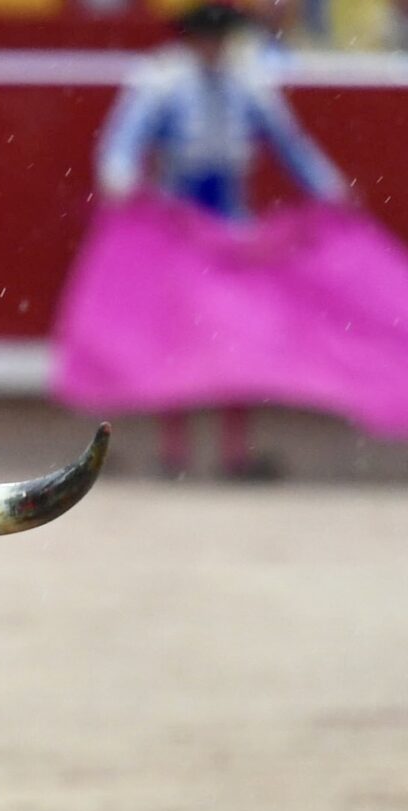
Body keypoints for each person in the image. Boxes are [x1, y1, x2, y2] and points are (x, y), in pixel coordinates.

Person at [93, 1, 353, 478]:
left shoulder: (247, 82)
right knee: (178, 341)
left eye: (219, 38)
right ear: (190, 39)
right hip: (178, 227)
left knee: (237, 343)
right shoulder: (162, 82)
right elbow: (121, 149)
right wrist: (122, 183)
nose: (213, 47)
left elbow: (291, 147)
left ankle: (233, 453)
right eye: (206, 38)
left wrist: (329, 191)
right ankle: (176, 453)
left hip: (233, 228)